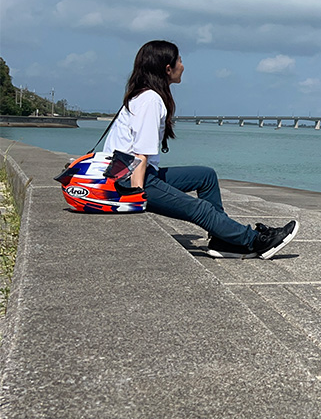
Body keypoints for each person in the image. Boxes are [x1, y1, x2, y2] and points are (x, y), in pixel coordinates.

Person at [104, 40, 299, 259]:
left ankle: (223, 240)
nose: (182, 65)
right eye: (179, 60)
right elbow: (140, 156)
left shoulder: (143, 95)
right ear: (167, 68)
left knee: (205, 176)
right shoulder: (150, 99)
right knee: (201, 210)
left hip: (134, 174)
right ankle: (254, 241)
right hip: (128, 181)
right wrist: (135, 198)